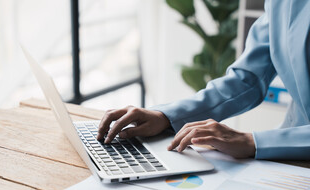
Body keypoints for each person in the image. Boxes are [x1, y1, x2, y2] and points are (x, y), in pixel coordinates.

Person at [97, 0, 310, 160]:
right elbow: (247, 79)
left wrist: (253, 141)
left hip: (287, 147)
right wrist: (166, 116)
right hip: (289, 159)